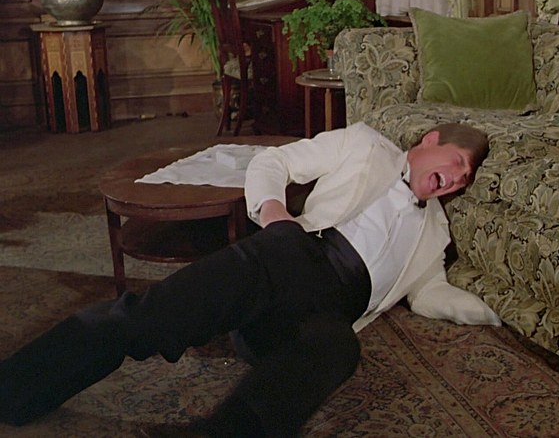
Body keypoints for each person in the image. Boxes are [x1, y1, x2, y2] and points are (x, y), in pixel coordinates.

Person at [0, 122, 501, 437]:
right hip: (292, 256)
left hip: (330, 311)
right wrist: (275, 214)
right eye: (458, 163)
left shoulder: (435, 231)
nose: (458, 179)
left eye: (465, 180)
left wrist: (491, 312)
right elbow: (274, 161)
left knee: (340, 349)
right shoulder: (366, 144)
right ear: (430, 140)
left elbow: (429, 291)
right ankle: (15, 389)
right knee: (150, 317)